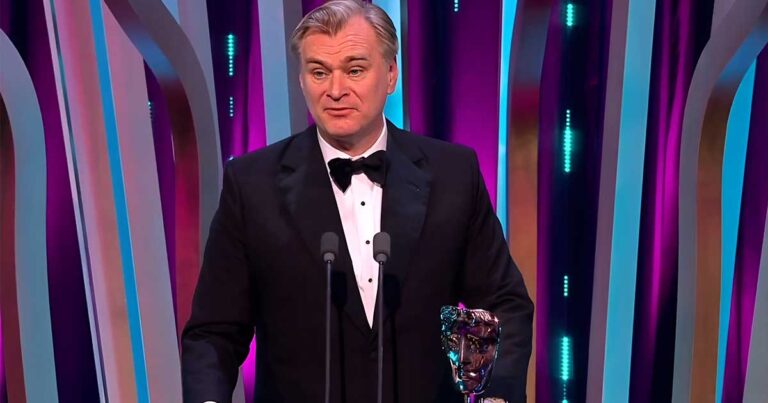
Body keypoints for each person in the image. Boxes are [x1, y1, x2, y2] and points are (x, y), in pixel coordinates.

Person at [181, 1, 533, 402]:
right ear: (301, 81)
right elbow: (213, 333)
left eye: (354, 70)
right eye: (319, 72)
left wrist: (495, 396)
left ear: (391, 74)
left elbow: (505, 303)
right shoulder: (252, 184)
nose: (335, 90)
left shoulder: (453, 174)